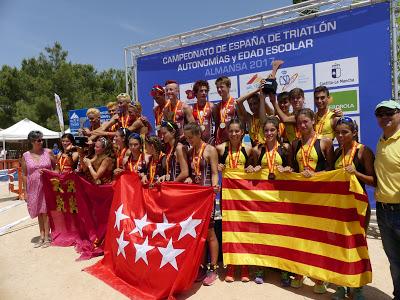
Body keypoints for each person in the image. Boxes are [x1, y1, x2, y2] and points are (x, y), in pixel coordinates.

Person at [332, 116, 376, 300]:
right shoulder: (336, 153)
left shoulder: (363, 151)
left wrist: (355, 172)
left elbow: (374, 181)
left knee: (358, 245)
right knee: (340, 246)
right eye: (338, 132)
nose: (341, 136)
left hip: (358, 206)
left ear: (354, 133)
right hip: (339, 206)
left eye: (345, 132)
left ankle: (357, 287)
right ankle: (342, 285)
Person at [291, 108, 334, 293]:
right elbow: (292, 169)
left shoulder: (325, 142)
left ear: (312, 122)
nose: (302, 125)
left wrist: (315, 175)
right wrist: (288, 171)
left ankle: (319, 277)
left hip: (319, 198)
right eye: (299, 122)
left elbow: (333, 171)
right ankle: (300, 272)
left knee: (318, 237)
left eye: (305, 121)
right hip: (300, 198)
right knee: (301, 236)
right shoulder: (294, 144)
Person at [250, 116, 292, 285]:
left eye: (272, 130)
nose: (268, 133)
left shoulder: (286, 148)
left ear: (277, 131)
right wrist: (252, 168)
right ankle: (261, 267)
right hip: (263, 198)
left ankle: (284, 270)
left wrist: (288, 168)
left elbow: (292, 169)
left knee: (283, 234)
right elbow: (250, 172)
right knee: (263, 233)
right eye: (266, 130)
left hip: (281, 198)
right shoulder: (258, 150)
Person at [215, 119, 254, 283]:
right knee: (229, 229)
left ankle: (244, 266)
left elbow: (253, 169)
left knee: (244, 229)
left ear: (242, 133)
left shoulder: (249, 149)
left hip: (243, 196)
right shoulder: (220, 148)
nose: (234, 134)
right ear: (227, 133)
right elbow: (213, 164)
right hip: (228, 196)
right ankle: (230, 265)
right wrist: (219, 166)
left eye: (237, 131)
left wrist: (251, 168)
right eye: (231, 131)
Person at [183, 123, 220, 286]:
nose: (189, 140)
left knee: (210, 233)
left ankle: (213, 269)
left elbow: (214, 173)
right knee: (200, 234)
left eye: (191, 137)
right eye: (187, 137)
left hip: (207, 197)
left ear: (198, 134)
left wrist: (214, 190)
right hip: (195, 198)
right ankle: (203, 266)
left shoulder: (210, 150)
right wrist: (189, 179)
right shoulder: (190, 151)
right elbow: (191, 174)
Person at [374, 100, 400, 300]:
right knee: (394, 261)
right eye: (380, 114)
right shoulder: (381, 141)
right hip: (383, 211)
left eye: (389, 113)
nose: (384, 117)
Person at [21, 131, 56, 248]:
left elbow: (57, 169)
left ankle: (47, 237)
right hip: (33, 188)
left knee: (45, 212)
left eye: (42, 139)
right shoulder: (25, 155)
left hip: (47, 186)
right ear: (32, 141)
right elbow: (24, 174)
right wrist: (25, 191)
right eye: (38, 140)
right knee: (39, 212)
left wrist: (48, 172)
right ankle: (41, 236)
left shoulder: (48, 152)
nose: (41, 142)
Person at [213, 76, 237, 145]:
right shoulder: (217, 106)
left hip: (232, 141)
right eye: (217, 88)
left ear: (229, 86)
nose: (219, 90)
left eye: (221, 87)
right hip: (219, 142)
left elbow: (242, 123)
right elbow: (217, 124)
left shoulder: (236, 103)